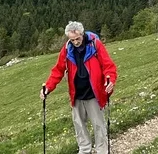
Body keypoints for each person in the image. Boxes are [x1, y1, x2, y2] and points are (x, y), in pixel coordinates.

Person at [42, 21, 118, 154]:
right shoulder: (67, 49)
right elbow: (58, 71)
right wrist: (48, 88)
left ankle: (102, 150)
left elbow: (108, 66)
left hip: (94, 93)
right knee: (79, 125)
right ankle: (84, 150)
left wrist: (110, 80)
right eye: (72, 40)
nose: (76, 42)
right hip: (76, 94)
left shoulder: (95, 44)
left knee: (98, 125)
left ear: (82, 34)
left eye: (78, 38)